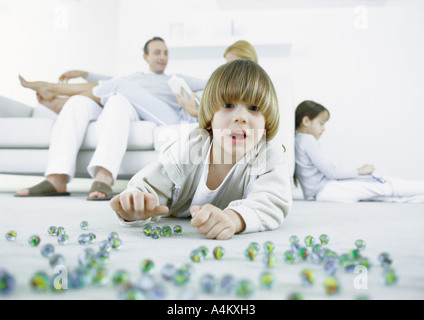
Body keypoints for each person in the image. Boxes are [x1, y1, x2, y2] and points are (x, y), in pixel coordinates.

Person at [110, 59, 292, 240]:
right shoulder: (191, 147)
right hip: (176, 209)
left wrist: (234, 218)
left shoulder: (269, 152)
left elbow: (273, 200)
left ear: (266, 123)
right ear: (210, 117)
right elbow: (148, 184)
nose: (241, 117)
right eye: (228, 106)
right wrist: (135, 206)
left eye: (253, 108)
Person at [16, 37, 207, 200]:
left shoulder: (174, 77)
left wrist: (196, 106)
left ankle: (54, 91)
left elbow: (213, 83)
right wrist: (84, 74)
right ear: (145, 57)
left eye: (165, 53)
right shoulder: (134, 78)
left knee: (118, 88)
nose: (163, 57)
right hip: (124, 104)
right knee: (81, 102)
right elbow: (110, 81)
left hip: (166, 115)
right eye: (157, 52)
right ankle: (56, 178)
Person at [294, 100, 424, 202]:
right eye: (321, 123)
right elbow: (330, 171)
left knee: (385, 192)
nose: (324, 129)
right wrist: (359, 171)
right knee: (385, 185)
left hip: (328, 190)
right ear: (306, 121)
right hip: (328, 190)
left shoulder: (300, 139)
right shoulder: (307, 140)